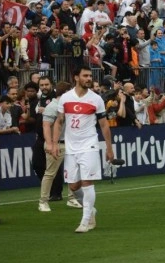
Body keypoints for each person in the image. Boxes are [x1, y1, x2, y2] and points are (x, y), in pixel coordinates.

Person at [54, 66, 115, 233]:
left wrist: (109, 148)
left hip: (89, 145)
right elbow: (59, 121)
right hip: (71, 147)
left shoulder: (96, 99)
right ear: (76, 77)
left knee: (87, 182)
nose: (89, 78)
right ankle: (91, 210)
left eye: (90, 76)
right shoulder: (65, 98)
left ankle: (85, 220)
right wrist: (53, 143)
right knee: (73, 186)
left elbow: (104, 125)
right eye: (85, 76)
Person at [39, 81, 81, 212]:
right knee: (50, 173)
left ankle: (72, 198)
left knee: (73, 172)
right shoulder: (53, 106)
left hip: (69, 143)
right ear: (66, 93)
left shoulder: (68, 106)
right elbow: (46, 126)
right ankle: (43, 201)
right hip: (56, 143)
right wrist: (50, 144)